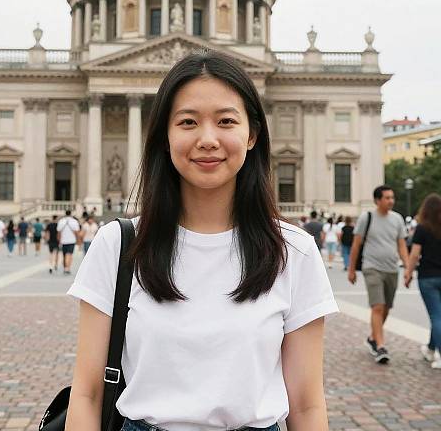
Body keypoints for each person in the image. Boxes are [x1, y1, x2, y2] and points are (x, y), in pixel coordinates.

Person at [66, 51, 338, 431]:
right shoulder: (118, 245)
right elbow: (87, 394)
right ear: (164, 135)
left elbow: (307, 405)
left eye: (226, 121)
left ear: (252, 134)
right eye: (188, 122)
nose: (208, 140)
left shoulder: (294, 251)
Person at [348, 185, 408, 364]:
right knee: (378, 306)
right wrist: (351, 270)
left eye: (392, 197)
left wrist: (407, 268)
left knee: (387, 307)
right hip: (371, 267)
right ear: (377, 200)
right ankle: (380, 346)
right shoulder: (366, 218)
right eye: (387, 198)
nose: (391, 201)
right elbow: (356, 245)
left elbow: (402, 245)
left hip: (392, 269)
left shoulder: (397, 219)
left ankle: (373, 337)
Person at [404, 193, 441, 369]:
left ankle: (439, 353)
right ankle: (431, 349)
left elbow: (415, 254)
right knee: (438, 316)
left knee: (436, 316)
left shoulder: (422, 228)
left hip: (428, 276)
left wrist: (408, 273)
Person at [57, 210, 80, 275]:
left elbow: (58, 232)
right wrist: (78, 241)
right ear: (70, 214)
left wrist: (59, 240)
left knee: (64, 255)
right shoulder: (74, 221)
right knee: (69, 254)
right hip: (71, 240)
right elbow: (77, 233)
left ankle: (65, 267)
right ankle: (67, 268)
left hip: (63, 240)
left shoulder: (61, 221)